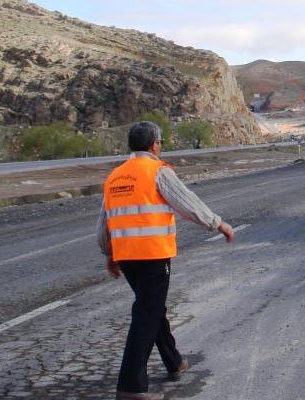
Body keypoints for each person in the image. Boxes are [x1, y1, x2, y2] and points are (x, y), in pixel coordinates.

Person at [96, 121, 235, 400]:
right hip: (152, 254)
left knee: (152, 309)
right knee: (146, 315)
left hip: (127, 257)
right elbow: (187, 202)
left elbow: (104, 221)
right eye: (160, 143)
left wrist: (109, 253)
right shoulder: (157, 171)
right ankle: (131, 388)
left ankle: (175, 362)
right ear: (154, 145)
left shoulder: (115, 176)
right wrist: (218, 223)